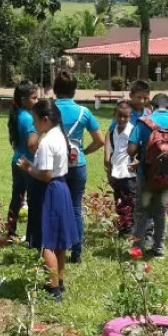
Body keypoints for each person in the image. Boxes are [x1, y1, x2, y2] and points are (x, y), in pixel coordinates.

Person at [16, 100, 79, 302]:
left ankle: (53, 290)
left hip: (49, 191)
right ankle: (59, 281)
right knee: (59, 241)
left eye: (35, 120)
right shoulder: (60, 135)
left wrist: (27, 167)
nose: (33, 125)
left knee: (46, 243)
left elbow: (45, 174)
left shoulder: (46, 143)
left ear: (45, 120)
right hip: (61, 189)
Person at [128, 93, 168, 258]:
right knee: (161, 211)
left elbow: (131, 149)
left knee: (142, 211)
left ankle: (138, 248)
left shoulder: (144, 122)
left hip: (147, 175)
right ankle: (159, 249)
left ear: (152, 106)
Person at [52, 70, 105, 264]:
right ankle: (77, 252)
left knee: (55, 208)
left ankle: (55, 248)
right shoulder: (84, 112)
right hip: (77, 164)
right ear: (74, 90)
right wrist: (83, 151)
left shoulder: (48, 110)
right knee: (75, 207)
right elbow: (100, 140)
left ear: (54, 89)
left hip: (54, 166)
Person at [104, 80, 153, 241]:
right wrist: (107, 157)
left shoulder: (148, 114)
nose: (142, 101)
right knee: (123, 196)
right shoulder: (124, 112)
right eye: (139, 97)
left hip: (141, 164)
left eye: (146, 98)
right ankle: (126, 226)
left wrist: (141, 159)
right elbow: (109, 134)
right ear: (131, 96)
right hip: (121, 164)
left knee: (140, 198)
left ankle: (144, 230)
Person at [6, 80, 39, 240]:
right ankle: (32, 236)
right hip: (28, 164)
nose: (37, 101)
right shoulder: (27, 118)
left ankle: (10, 232)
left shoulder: (17, 113)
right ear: (24, 99)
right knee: (33, 200)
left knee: (17, 198)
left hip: (17, 160)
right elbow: (32, 144)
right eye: (34, 98)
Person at [103, 100, 139, 236]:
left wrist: (136, 161)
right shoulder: (113, 133)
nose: (122, 119)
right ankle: (123, 228)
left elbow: (140, 150)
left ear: (130, 117)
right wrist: (110, 171)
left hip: (129, 174)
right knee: (119, 201)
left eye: (126, 116)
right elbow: (112, 152)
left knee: (131, 201)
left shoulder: (133, 131)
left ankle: (132, 229)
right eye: (119, 115)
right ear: (114, 115)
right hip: (116, 174)